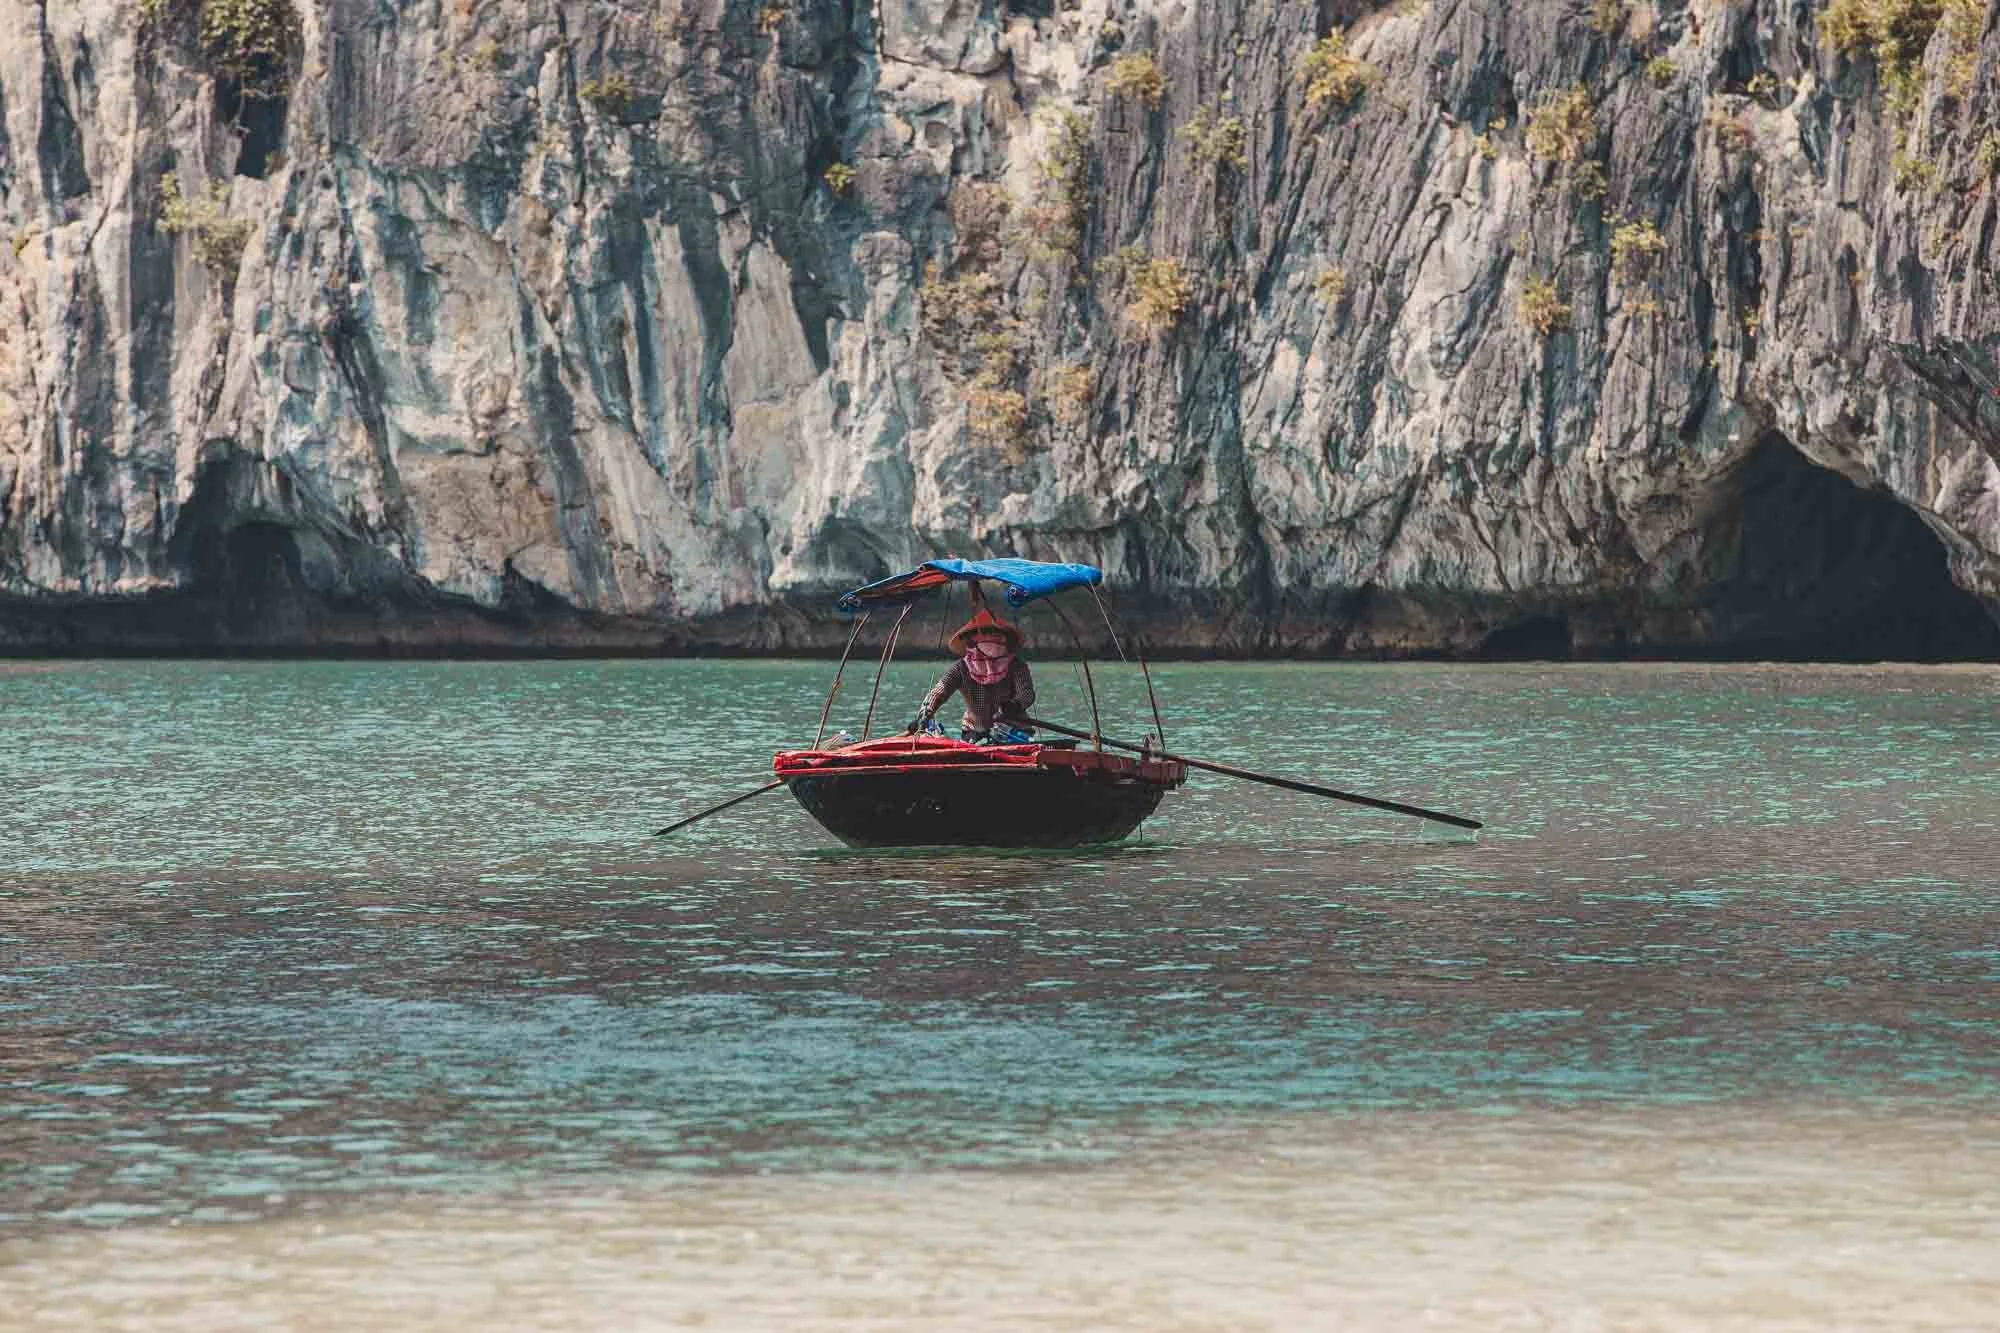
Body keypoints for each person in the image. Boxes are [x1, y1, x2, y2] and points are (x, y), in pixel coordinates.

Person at [911, 608, 1036, 743]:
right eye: (986, 634)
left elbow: (1027, 694)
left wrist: (1014, 705)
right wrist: (925, 713)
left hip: (1013, 730)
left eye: (996, 634)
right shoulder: (962, 668)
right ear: (973, 641)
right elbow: (939, 692)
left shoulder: (1016, 665)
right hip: (975, 731)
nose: (992, 638)